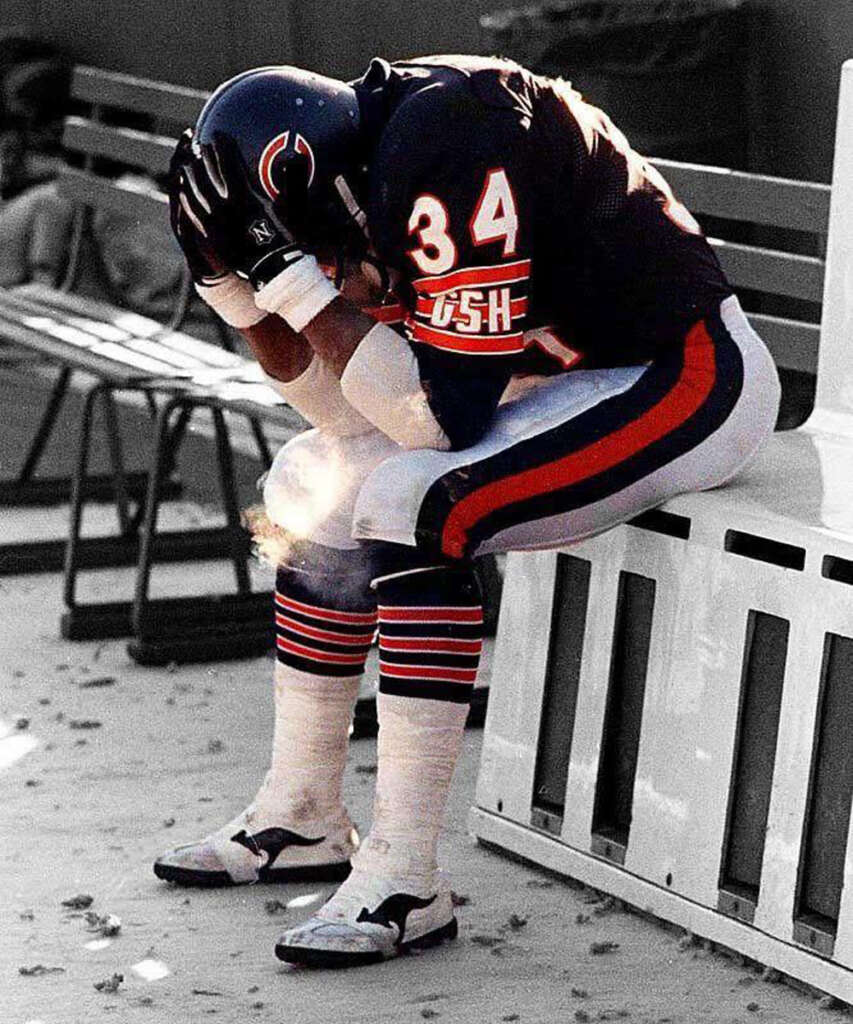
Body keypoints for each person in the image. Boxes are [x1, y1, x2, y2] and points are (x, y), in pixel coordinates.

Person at [154, 54, 780, 968]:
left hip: (682, 376)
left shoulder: (451, 133)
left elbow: (435, 422)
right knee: (309, 480)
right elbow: (343, 415)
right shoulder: (372, 162)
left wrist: (288, 275)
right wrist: (234, 285)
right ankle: (300, 814)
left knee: (414, 501)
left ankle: (405, 875)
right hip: (555, 377)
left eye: (326, 249)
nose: (334, 273)